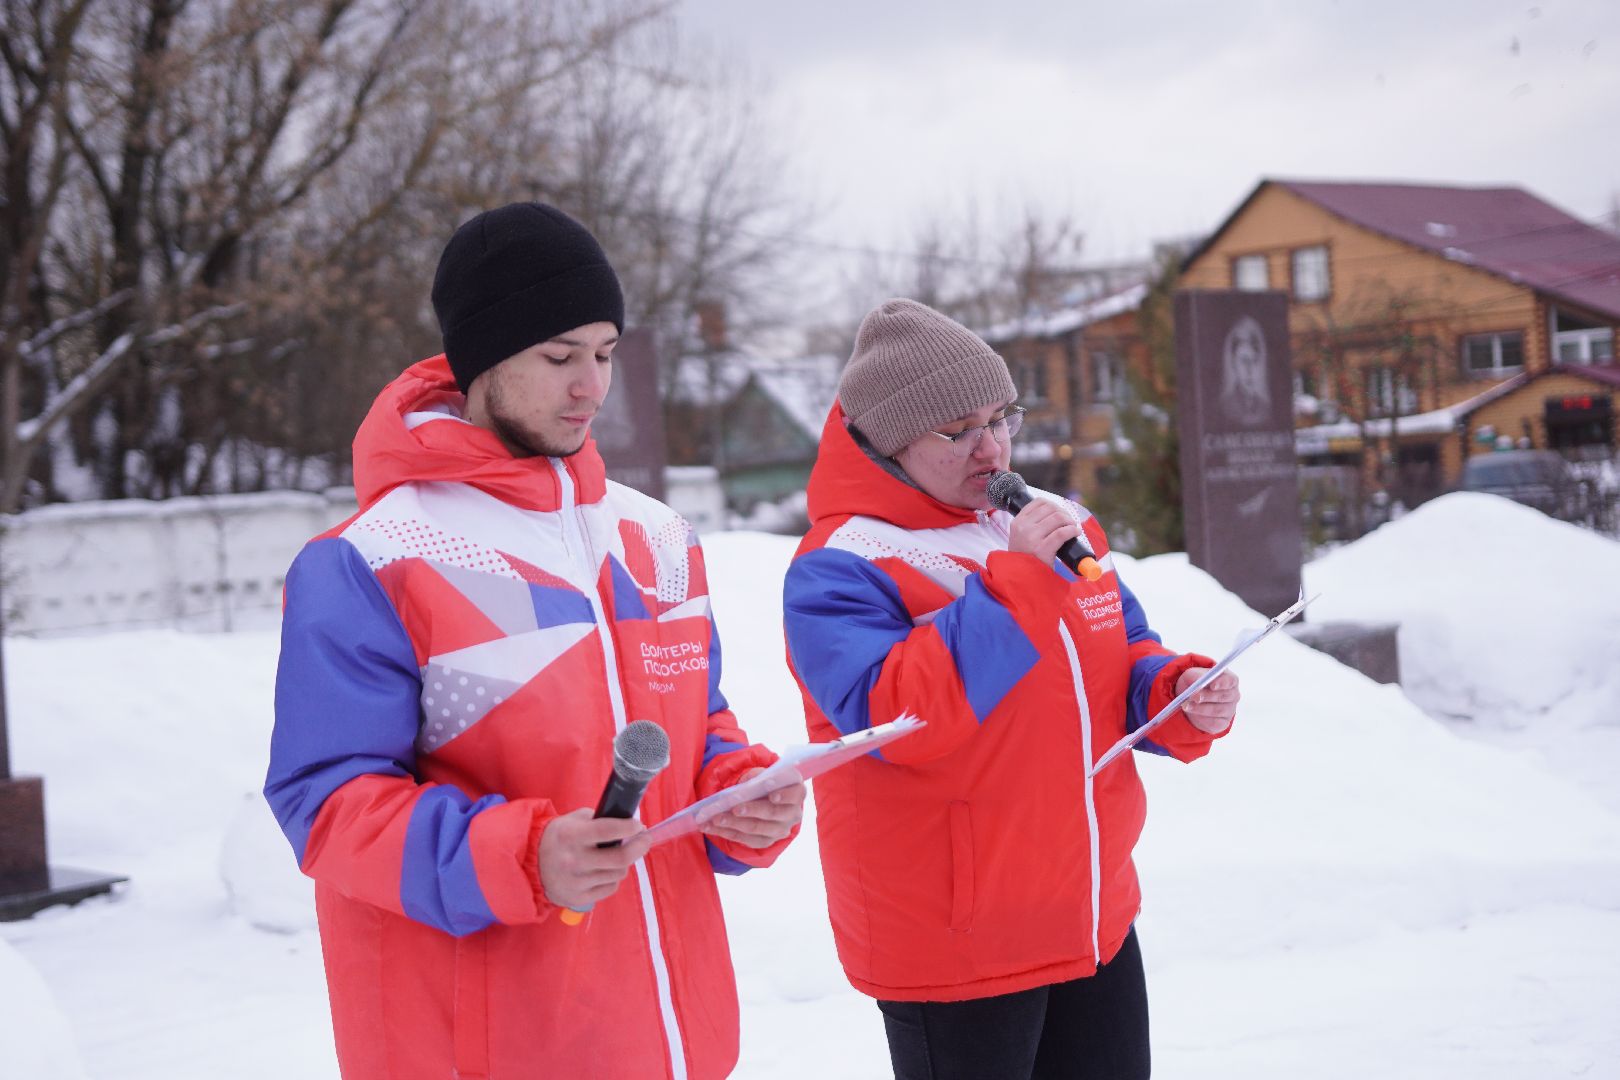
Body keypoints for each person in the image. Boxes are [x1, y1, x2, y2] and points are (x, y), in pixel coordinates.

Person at [266, 202, 803, 1080]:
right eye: (560, 357)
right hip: (485, 1048)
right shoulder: (374, 559)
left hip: (672, 1043)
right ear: (484, 360)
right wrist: (521, 857)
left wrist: (736, 796)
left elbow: (695, 729)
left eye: (605, 353)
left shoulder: (658, 539)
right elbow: (329, 806)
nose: (592, 386)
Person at [782, 299, 1240, 1080]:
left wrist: (1176, 690)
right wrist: (1021, 581)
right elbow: (898, 717)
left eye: (1001, 418)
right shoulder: (839, 564)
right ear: (890, 443)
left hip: (1088, 910)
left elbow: (1121, 653)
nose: (991, 447)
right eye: (957, 430)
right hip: (956, 940)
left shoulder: (1052, 525)